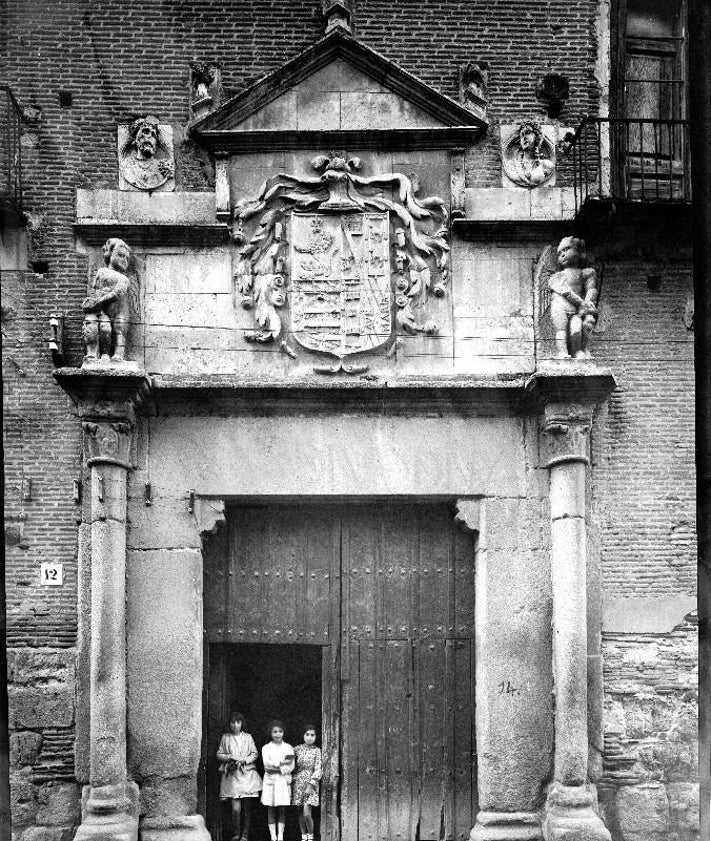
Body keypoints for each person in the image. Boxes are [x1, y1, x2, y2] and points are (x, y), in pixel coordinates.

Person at [82, 238, 132, 363]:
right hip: (103, 310)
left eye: (126, 258)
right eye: (120, 256)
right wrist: (91, 301)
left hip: (119, 311)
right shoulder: (101, 272)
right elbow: (94, 289)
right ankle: (104, 354)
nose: (124, 260)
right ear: (110, 254)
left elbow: (117, 293)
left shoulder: (124, 279)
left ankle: (118, 355)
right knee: (105, 329)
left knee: (119, 331)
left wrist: (99, 301)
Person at [548, 236, 599, 358]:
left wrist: (588, 301)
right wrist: (581, 303)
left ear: (579, 252)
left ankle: (578, 350)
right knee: (561, 330)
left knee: (579, 328)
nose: (563, 255)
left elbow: (592, 289)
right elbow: (566, 292)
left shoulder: (586, 273)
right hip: (560, 305)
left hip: (577, 308)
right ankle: (562, 352)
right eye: (560, 253)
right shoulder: (557, 277)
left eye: (566, 249)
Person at [216, 712, 262, 841]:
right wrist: (229, 756)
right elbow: (219, 754)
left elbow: (254, 754)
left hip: (247, 775)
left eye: (238, 722)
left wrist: (244, 760)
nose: (236, 725)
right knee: (235, 809)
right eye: (233, 722)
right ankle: (236, 834)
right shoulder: (226, 737)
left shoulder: (248, 737)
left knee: (247, 807)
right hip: (232, 776)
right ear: (229, 724)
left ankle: (245, 835)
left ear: (242, 723)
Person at [261, 720, 295, 841]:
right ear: (270, 733)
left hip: (282, 782)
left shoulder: (288, 748)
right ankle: (273, 836)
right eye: (275, 731)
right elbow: (267, 766)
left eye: (280, 731)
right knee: (270, 808)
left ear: (283, 733)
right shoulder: (266, 748)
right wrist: (281, 764)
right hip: (270, 782)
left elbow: (290, 766)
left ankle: (280, 835)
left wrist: (277, 768)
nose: (277, 734)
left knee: (281, 808)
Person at [292, 725, 322, 841]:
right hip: (298, 783)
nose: (309, 737)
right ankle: (303, 836)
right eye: (307, 734)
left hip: (310, 784)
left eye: (312, 735)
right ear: (303, 735)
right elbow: (287, 763)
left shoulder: (317, 750)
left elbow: (318, 768)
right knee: (299, 811)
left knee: (306, 813)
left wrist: (311, 784)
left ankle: (311, 836)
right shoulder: (296, 749)